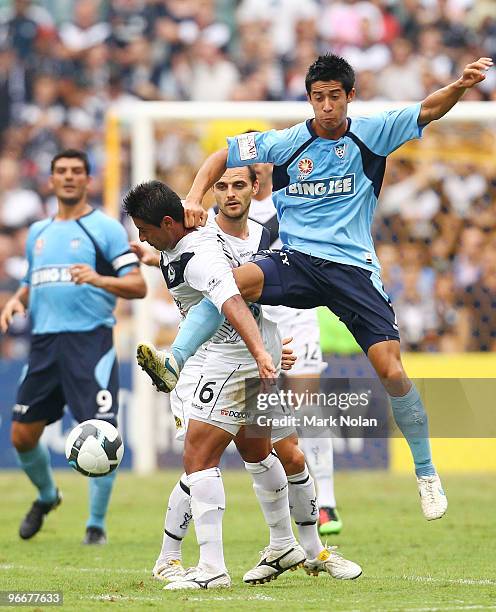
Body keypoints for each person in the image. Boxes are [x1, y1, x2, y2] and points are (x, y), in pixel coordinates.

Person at [144, 54, 493, 520]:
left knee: (390, 369)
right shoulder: (288, 141)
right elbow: (222, 154)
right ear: (309, 99)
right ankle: (175, 361)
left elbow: (427, 109)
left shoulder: (373, 132)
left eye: (334, 96)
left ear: (350, 96)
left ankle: (426, 473)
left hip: (353, 270)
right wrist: (192, 197)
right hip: (298, 261)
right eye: (318, 97)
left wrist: (460, 86)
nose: (326, 106)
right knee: (234, 281)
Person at [130, 168, 361, 590]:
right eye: (223, 185)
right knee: (261, 452)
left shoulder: (200, 254)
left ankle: (210, 569)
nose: (143, 237)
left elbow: (230, 300)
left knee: (199, 457)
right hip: (250, 352)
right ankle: (287, 546)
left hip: (230, 360)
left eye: (146, 232)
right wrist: (267, 348)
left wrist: (259, 351)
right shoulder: (187, 225)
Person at [0, 149, 147, 544]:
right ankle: (48, 495)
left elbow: (137, 285)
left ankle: (95, 526)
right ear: (50, 180)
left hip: (90, 342)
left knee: (102, 435)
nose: (68, 177)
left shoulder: (105, 229)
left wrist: (98, 280)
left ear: (87, 180)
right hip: (44, 345)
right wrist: (18, 300)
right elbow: (35, 280)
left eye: (76, 172)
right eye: (61, 171)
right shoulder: (38, 233)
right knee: (21, 436)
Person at [249, 160, 342, 535]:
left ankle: (328, 505)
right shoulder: (219, 214)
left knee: (308, 408)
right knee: (262, 418)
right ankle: (287, 506)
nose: (250, 174)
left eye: (257, 165)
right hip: (253, 322)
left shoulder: (292, 202)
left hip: (297, 316)